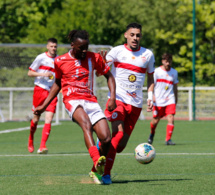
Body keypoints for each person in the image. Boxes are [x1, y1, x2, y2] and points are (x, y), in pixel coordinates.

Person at [33, 30, 116, 184]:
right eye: (81, 48)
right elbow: (57, 83)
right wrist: (44, 105)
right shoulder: (60, 61)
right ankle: (96, 159)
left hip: (90, 100)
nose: (84, 51)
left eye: (86, 47)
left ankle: (94, 170)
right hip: (72, 100)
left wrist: (112, 97)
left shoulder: (94, 58)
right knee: (86, 124)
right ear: (72, 45)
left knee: (106, 139)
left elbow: (109, 76)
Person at [97, 22, 155, 184]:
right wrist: (100, 65)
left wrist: (150, 97)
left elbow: (150, 78)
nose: (135, 38)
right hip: (118, 100)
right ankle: (106, 174)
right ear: (126, 35)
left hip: (135, 105)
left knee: (120, 146)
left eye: (138, 35)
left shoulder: (148, 55)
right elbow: (101, 72)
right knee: (119, 134)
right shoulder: (116, 51)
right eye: (132, 35)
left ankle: (101, 142)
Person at [28, 38, 58, 154]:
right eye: (51, 46)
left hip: (52, 92)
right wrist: (43, 74)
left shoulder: (59, 60)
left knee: (49, 118)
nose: (53, 48)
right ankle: (31, 138)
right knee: (36, 119)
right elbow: (30, 72)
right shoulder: (41, 58)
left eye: (55, 46)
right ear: (47, 47)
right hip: (40, 90)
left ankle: (42, 146)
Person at [148, 53, 178, 145]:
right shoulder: (157, 71)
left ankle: (168, 139)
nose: (168, 63)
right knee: (155, 121)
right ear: (162, 61)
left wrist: (176, 98)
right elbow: (152, 84)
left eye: (169, 61)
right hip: (158, 100)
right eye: (166, 61)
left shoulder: (174, 72)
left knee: (171, 118)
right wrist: (152, 96)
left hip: (170, 99)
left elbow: (175, 87)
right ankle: (152, 134)